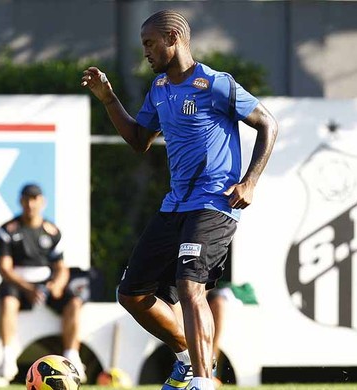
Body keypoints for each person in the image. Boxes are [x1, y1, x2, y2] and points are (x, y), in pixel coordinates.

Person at [82, 9, 278, 390]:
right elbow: (140, 141)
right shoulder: (158, 89)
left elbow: (267, 123)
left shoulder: (216, 83)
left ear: (174, 38)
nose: (146, 52)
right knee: (132, 294)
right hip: (174, 206)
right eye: (143, 45)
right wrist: (108, 99)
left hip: (214, 204)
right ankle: (189, 358)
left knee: (191, 287)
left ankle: (204, 382)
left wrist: (250, 182)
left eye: (150, 43)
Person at [0, 183, 87, 383]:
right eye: (27, 199)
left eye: (35, 199)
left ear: (42, 202)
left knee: (75, 301)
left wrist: (57, 284)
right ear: (20, 201)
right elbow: (5, 268)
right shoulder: (8, 230)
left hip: (45, 281)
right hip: (18, 283)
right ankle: (8, 356)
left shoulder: (52, 231)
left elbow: (61, 267)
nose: (31, 204)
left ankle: (72, 355)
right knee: (8, 300)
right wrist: (28, 288)